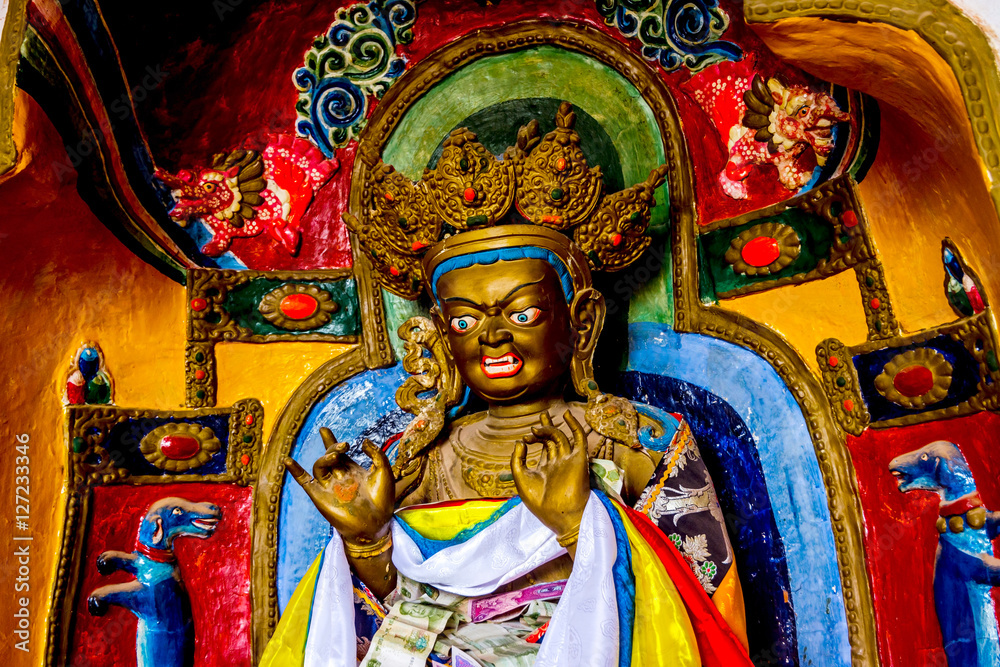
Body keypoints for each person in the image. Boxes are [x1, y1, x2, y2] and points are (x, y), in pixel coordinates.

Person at [262, 105, 750, 667]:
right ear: (443, 339)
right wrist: (368, 545)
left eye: (521, 314)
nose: (491, 338)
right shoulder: (415, 459)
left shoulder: (638, 442)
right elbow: (382, 618)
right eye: (465, 322)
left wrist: (579, 528)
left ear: (582, 322)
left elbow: (708, 611)